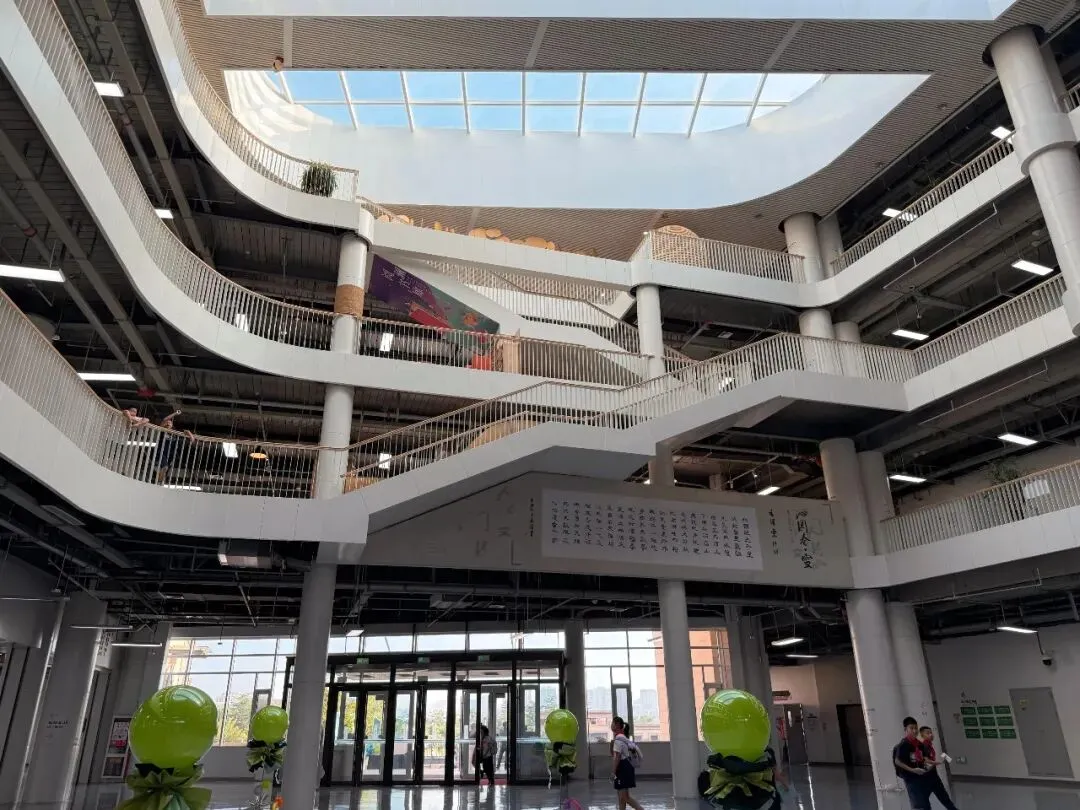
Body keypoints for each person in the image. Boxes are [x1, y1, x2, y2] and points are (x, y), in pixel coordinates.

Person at [894, 717, 931, 810]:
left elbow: (924, 759)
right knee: (918, 804)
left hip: (922, 777)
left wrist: (928, 766)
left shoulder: (920, 744)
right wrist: (913, 770)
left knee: (925, 803)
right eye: (911, 728)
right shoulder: (903, 745)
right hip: (911, 778)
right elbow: (897, 761)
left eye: (916, 728)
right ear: (906, 729)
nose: (914, 731)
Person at [919, 726, 959, 810]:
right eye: (928, 733)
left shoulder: (930, 745)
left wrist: (939, 761)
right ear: (922, 735)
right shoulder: (924, 746)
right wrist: (938, 762)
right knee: (923, 800)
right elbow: (926, 760)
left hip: (933, 776)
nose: (931, 735)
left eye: (931, 732)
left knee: (943, 797)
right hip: (926, 777)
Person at [611, 716, 644, 810]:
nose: (611, 725)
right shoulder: (623, 738)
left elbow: (617, 757)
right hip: (626, 767)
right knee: (621, 798)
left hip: (623, 768)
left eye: (612, 723)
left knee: (625, 797)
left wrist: (613, 772)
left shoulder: (618, 739)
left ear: (617, 725)